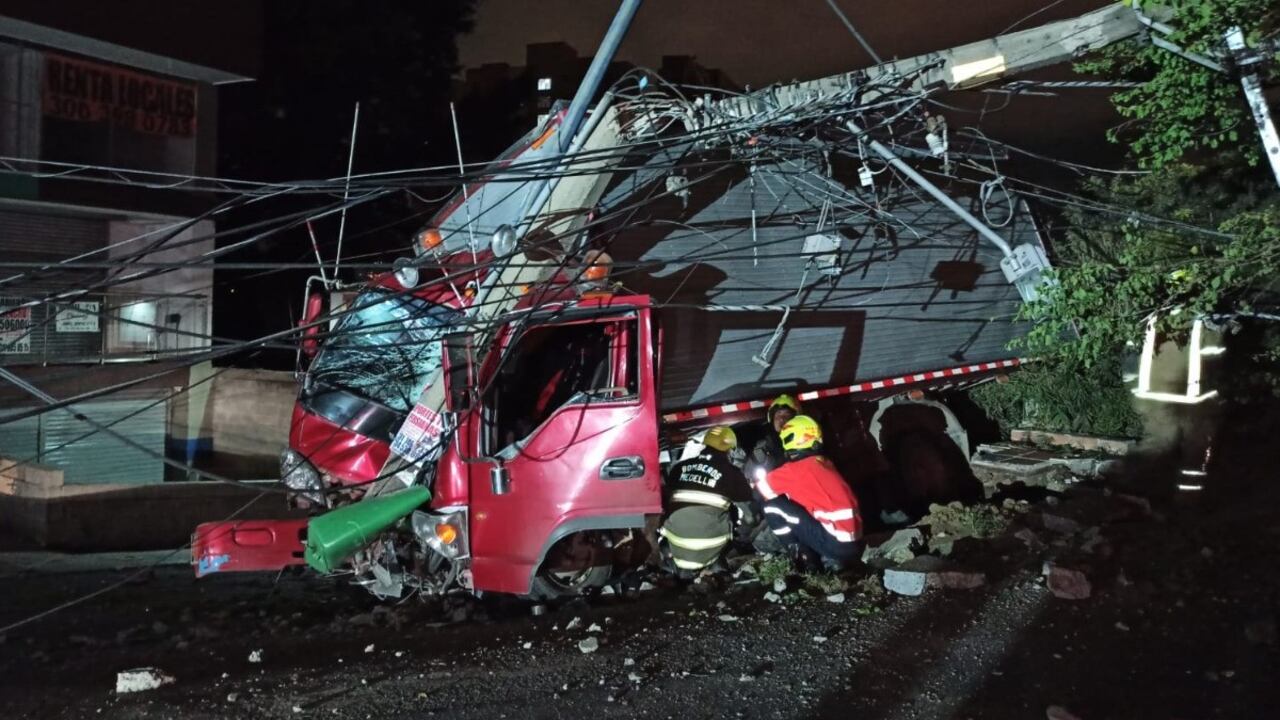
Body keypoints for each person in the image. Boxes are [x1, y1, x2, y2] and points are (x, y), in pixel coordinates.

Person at [755, 415, 863, 571]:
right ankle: (827, 557)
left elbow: (761, 491)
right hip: (854, 543)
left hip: (836, 545)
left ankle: (803, 557)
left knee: (772, 505)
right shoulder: (824, 463)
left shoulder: (796, 470)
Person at [659, 426, 754, 574]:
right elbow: (747, 498)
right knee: (734, 510)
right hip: (709, 546)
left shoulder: (680, 467)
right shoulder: (730, 472)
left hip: (676, 546)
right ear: (730, 450)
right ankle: (719, 559)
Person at [748, 394, 801, 476]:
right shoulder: (762, 440)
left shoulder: (803, 439)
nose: (781, 418)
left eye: (787, 414)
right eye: (778, 413)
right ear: (772, 417)